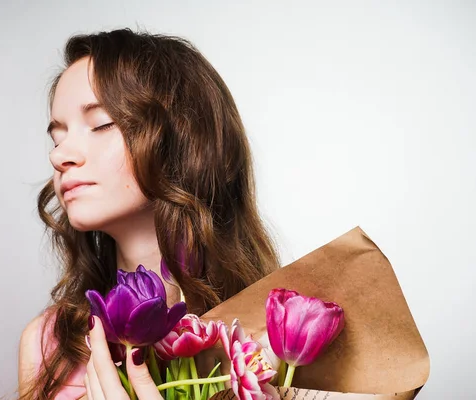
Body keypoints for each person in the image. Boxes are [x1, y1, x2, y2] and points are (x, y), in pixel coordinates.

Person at [17, 28, 280, 400]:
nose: (59, 156)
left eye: (101, 124)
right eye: (57, 137)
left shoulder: (274, 338)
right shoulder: (48, 343)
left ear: (184, 139)